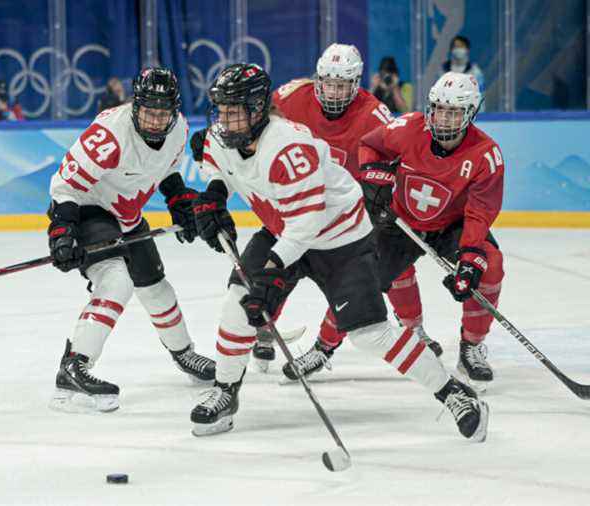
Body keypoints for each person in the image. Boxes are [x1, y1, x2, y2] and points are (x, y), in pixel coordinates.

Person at [188, 63, 489, 442]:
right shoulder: (222, 137)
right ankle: (225, 391)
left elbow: (307, 222)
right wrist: (213, 196)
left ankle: (453, 393)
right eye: (222, 110)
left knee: (370, 334)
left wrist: (272, 270)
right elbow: (219, 165)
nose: (226, 119)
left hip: (339, 238)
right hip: (284, 227)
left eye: (235, 111)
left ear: (258, 110)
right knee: (237, 304)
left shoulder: (289, 147)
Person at [296, 71, 503, 393]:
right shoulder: (408, 127)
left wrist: (471, 255)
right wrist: (374, 177)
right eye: (439, 109)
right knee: (360, 280)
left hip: (452, 226)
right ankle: (323, 347)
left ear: (471, 113)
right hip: (399, 222)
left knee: (489, 265)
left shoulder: (486, 154)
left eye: (454, 112)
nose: (444, 119)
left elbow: (480, 211)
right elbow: (371, 146)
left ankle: (472, 346)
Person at [244, 43, 440, 376]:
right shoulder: (290, 97)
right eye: (329, 82)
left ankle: (411, 328)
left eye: (343, 84)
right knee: (277, 265)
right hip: (299, 206)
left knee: (387, 267)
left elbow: (395, 154)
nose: (334, 91)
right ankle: (263, 328)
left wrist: (380, 185)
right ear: (317, 79)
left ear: (357, 82)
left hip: (346, 215)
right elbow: (258, 127)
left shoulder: (374, 113)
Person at [46, 67, 215, 414]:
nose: (155, 120)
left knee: (154, 284)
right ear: (135, 105)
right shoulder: (109, 135)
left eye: (162, 113)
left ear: (175, 110)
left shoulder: (179, 129)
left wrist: (178, 198)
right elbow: (65, 186)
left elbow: (164, 168)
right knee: (116, 279)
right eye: (148, 111)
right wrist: (62, 231)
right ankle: (75, 365)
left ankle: (184, 354)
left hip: (127, 214)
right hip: (88, 208)